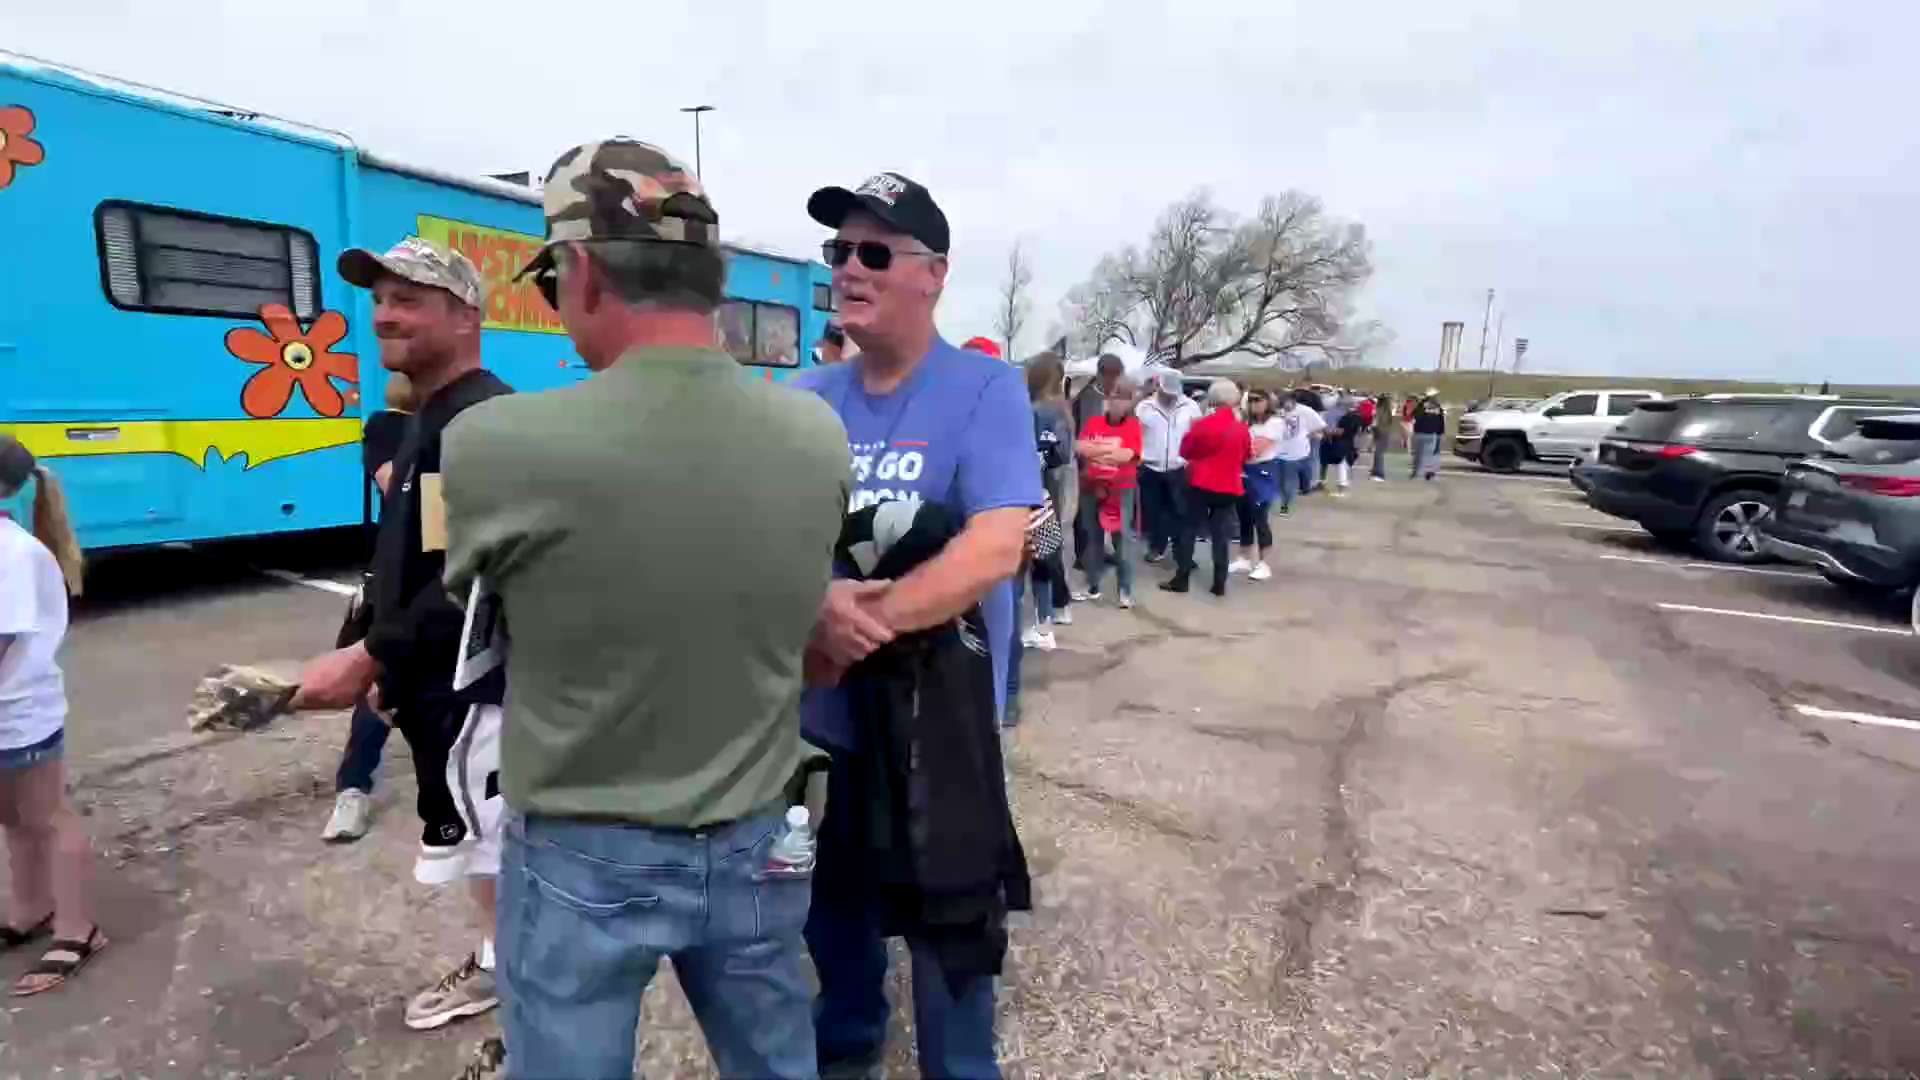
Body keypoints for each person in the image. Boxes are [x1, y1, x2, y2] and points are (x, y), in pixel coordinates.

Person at [439, 140, 847, 1080]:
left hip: (584, 845)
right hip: (758, 832)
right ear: (714, 279)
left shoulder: (495, 444)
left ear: (580, 271)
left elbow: (478, 608)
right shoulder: (815, 431)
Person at [795, 170, 1041, 1080]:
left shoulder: (985, 388)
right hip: (823, 726)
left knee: (951, 926)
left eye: (873, 252)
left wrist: (866, 620)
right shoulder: (806, 396)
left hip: (937, 728)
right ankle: (848, 1042)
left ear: (933, 273)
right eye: (838, 252)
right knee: (832, 912)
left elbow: (994, 546)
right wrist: (811, 601)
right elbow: (760, 530)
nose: (847, 269)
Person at [291, 237, 513, 1034]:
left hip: (478, 702)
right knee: (474, 846)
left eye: (409, 299)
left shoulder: (480, 421)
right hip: (430, 686)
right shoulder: (428, 417)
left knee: (493, 848)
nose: (384, 314)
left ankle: (511, 981)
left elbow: (475, 579)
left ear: (465, 315)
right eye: (380, 298)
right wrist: (386, 655)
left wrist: (373, 653)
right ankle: (503, 963)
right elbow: (423, 553)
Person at [0, 439, 105, 998]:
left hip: (21, 712)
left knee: (48, 815)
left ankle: (78, 927)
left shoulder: (13, 553)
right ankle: (31, 907)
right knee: (14, 818)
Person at [321, 373, 417, 843]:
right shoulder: (389, 427)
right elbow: (395, 484)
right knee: (382, 686)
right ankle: (353, 790)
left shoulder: (453, 428)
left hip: (452, 571)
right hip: (398, 574)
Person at [1166, 380, 1251, 597]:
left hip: (1201, 483)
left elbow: (1185, 451)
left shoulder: (1204, 425)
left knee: (1189, 529)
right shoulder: (1241, 429)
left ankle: (1182, 578)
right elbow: (1246, 456)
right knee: (1220, 534)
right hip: (1229, 486)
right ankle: (1219, 582)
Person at [1075, 374, 1143, 607]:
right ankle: (1092, 584)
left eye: (1122, 398)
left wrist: (1098, 451)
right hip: (1091, 488)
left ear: (1129, 402)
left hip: (1120, 491)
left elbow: (1127, 455)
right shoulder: (1094, 422)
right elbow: (1080, 447)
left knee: (1121, 540)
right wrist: (1108, 453)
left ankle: (1125, 590)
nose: (1116, 402)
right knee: (1092, 538)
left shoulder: (1133, 426)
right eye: (1113, 397)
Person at [1136, 369, 1201, 565]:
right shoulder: (1144, 407)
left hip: (1178, 468)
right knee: (1154, 512)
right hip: (1150, 468)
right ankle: (1157, 548)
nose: (1171, 396)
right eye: (1167, 392)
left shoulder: (1191, 407)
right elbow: (1135, 435)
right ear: (1158, 387)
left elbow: (1197, 437)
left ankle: (1183, 553)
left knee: (1181, 512)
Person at [1069, 353, 1125, 570]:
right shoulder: (1088, 396)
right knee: (1086, 513)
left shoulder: (1111, 395)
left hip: (1109, 464)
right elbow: (1084, 433)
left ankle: (1099, 551)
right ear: (1103, 373)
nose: (1116, 380)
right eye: (1113, 376)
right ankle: (1083, 555)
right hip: (1089, 463)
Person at [1230, 389, 1281, 581]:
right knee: (1244, 516)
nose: (1254, 403)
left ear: (1268, 402)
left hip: (1263, 472)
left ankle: (1264, 562)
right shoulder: (1245, 423)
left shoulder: (1275, 423)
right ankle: (1244, 557)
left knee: (1260, 519)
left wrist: (1239, 448)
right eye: (1251, 400)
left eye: (1259, 400)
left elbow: (1255, 450)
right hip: (1243, 473)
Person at [1272, 390, 1325, 515]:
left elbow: (1320, 426)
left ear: (1294, 401)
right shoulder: (1277, 411)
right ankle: (1283, 499)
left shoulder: (1306, 411)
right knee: (1278, 481)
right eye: (1282, 403)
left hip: (1296, 453)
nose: (1285, 406)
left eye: (1287, 403)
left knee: (1289, 482)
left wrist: (1310, 434)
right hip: (1277, 451)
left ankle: (1285, 505)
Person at [1324, 394, 1365, 496]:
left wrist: (1328, 432)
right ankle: (1343, 486)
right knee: (1345, 466)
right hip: (1351, 444)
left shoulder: (1347, 417)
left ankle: (1341, 490)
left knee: (1342, 466)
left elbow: (1341, 431)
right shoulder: (1358, 417)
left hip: (1343, 444)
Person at [1411, 387, 1446, 480]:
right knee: (1429, 455)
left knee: (1418, 455)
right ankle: (1428, 473)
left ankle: (1417, 474)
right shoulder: (1438, 407)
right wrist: (1440, 433)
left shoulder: (1421, 405)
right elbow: (1441, 420)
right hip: (1432, 433)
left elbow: (1414, 415)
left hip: (1420, 433)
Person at [1369, 393, 1398, 481]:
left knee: (1378, 454)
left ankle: (1379, 474)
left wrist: (1371, 428)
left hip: (1379, 432)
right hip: (1385, 432)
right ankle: (1375, 472)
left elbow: (1375, 422)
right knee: (1379, 453)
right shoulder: (1388, 410)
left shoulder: (1379, 410)